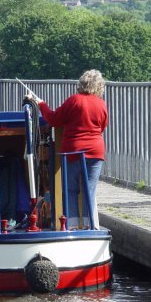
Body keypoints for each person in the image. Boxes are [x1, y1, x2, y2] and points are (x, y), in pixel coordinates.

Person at [28, 69, 108, 229]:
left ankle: (70, 225)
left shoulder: (74, 101)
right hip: (95, 152)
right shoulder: (101, 104)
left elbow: (53, 119)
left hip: (73, 151)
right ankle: (89, 226)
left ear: (81, 84)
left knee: (71, 190)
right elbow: (102, 127)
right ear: (99, 86)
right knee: (89, 190)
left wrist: (41, 104)